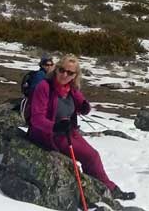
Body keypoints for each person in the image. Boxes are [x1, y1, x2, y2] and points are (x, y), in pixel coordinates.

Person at [27, 54, 135, 201]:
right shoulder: (44, 87)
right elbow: (36, 118)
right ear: (56, 69)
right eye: (62, 70)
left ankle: (105, 189)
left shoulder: (71, 89)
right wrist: (55, 127)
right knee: (90, 157)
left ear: (75, 75)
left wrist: (84, 107)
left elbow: (81, 104)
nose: (65, 75)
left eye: (70, 72)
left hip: (67, 131)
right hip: (47, 135)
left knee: (93, 156)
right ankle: (106, 190)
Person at [20, 54, 55, 119]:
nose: (49, 67)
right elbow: (35, 91)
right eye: (47, 65)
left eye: (51, 65)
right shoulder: (40, 75)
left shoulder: (48, 75)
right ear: (42, 65)